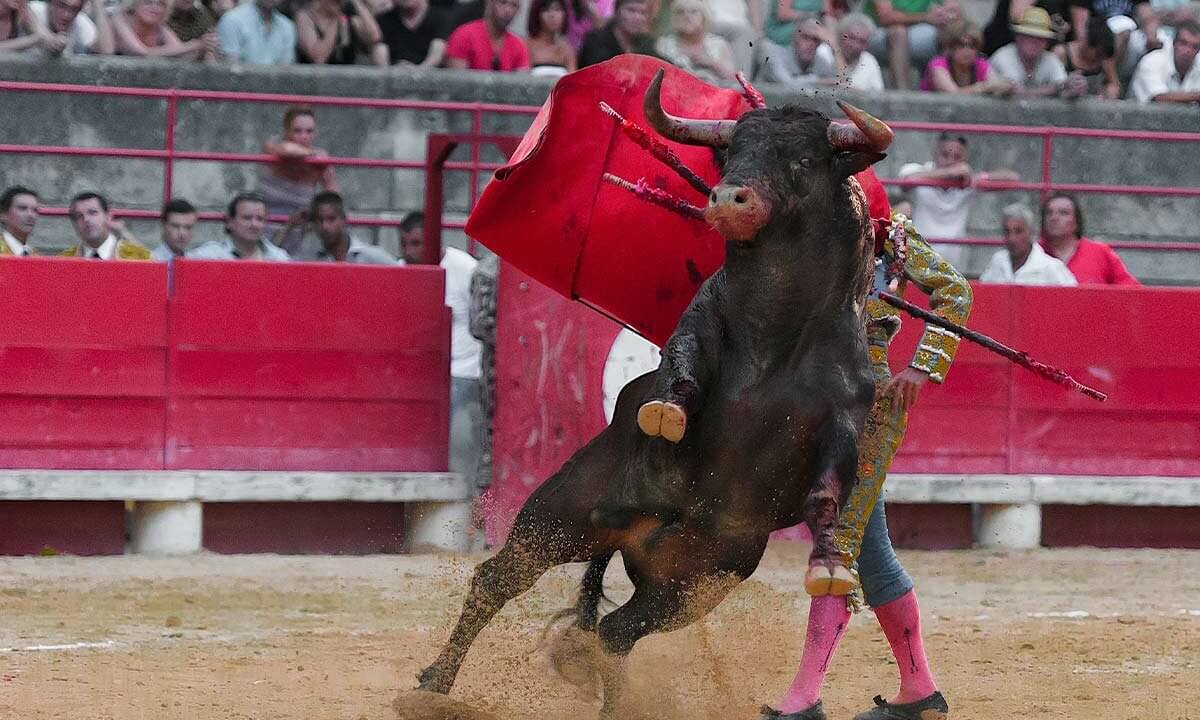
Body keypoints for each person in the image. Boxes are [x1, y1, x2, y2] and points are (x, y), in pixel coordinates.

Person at [768, 212, 971, 720]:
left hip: (867, 405)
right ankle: (919, 690)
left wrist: (924, 365)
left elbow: (956, 290)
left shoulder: (886, 231)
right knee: (872, 552)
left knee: (838, 546)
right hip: (812, 395)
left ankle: (804, 699)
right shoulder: (801, 223)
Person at [399, 212, 483, 483]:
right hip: (422, 371)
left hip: (463, 370)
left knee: (457, 448)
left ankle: (460, 491)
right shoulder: (401, 271)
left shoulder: (465, 269)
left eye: (416, 244)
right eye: (405, 245)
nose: (410, 253)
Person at [897, 132, 1019, 269]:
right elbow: (906, 181)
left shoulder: (967, 181)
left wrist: (976, 177)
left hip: (952, 270)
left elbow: (1012, 179)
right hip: (917, 266)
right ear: (935, 154)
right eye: (945, 155)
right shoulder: (918, 171)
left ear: (964, 160)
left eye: (957, 157)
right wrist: (951, 173)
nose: (950, 161)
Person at [258, 106, 339, 256]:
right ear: (286, 131)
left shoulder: (320, 162)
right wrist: (312, 154)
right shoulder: (273, 146)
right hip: (266, 224)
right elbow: (287, 150)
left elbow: (334, 196)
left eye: (309, 131)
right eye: (297, 131)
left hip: (302, 227)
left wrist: (314, 211)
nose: (303, 136)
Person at [1038, 193, 1138, 285]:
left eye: (1064, 213)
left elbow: (1133, 291)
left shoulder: (1100, 252)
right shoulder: (1033, 253)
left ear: (1077, 221)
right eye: (1049, 213)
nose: (1054, 217)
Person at [863, 0, 959, 89]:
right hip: (876, 32)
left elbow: (953, 5)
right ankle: (902, 94)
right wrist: (926, 17)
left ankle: (951, 88)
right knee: (898, 32)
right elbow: (886, 17)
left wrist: (948, 13)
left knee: (951, 29)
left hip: (916, 30)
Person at [980, 202, 1077, 285]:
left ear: (1031, 232)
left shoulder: (1051, 267)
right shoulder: (998, 261)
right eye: (1007, 231)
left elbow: (1072, 299)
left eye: (1018, 231)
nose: (1012, 238)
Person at [989, 6, 1075, 96]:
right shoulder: (1003, 57)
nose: (1034, 42)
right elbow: (1018, 94)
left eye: (1040, 38)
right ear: (1018, 38)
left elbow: (1064, 87)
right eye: (1029, 36)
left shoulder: (1051, 60)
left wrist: (1073, 87)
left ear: (1046, 43)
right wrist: (1055, 89)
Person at [921, 19, 1013, 94]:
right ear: (950, 47)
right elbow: (952, 94)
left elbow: (994, 83)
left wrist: (1005, 88)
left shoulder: (981, 64)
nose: (967, 51)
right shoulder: (938, 65)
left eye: (972, 46)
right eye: (961, 45)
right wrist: (982, 87)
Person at [189, 192, 290, 260]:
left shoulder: (279, 259)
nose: (254, 224)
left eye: (259, 219)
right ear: (229, 221)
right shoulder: (207, 256)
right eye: (247, 218)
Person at [300, 191, 397, 263]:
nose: (325, 226)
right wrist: (290, 226)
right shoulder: (310, 261)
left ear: (343, 219)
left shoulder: (373, 257)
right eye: (319, 220)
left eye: (331, 219)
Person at [655, 0, 736, 84]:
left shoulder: (718, 44)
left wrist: (712, 64)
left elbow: (733, 79)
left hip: (713, 93)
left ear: (704, 17)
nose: (686, 16)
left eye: (693, 12)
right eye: (680, 12)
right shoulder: (663, 44)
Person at [113, 0, 218, 60]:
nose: (154, 8)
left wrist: (204, 47)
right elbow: (142, 52)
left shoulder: (160, 27)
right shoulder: (120, 20)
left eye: (161, 4)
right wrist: (196, 44)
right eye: (148, 2)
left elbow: (180, 52)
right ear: (135, 4)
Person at [62, 192, 152, 260]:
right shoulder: (63, 260)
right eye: (79, 216)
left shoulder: (138, 257)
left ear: (108, 216)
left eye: (93, 212)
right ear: (74, 224)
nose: (86, 219)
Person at [444, 0, 529, 70]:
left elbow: (522, 85)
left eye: (514, 6)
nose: (508, 10)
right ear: (489, 2)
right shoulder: (463, 36)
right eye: (503, 2)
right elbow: (458, 83)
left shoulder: (518, 45)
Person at [1130, 18, 1200, 102]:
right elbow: (1159, 99)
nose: (1188, 50)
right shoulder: (1152, 60)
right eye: (1183, 43)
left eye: (1194, 47)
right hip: (1138, 114)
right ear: (1174, 43)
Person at [756, 16, 837, 84]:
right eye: (805, 37)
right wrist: (818, 81)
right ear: (794, 37)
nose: (810, 44)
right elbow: (786, 83)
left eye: (815, 39)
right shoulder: (774, 55)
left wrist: (835, 48)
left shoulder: (820, 61)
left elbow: (842, 83)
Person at [296, 0, 382, 64]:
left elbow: (375, 37)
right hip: (316, 82)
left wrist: (357, 3)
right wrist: (335, 20)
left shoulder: (347, 18)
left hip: (347, 80)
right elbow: (318, 58)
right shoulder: (305, 17)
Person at [1056, 15, 1121, 98]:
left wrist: (1109, 93)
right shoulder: (1061, 53)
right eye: (1097, 54)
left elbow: (1114, 83)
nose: (1098, 59)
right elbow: (1054, 86)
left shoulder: (1105, 59)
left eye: (1101, 56)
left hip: (1095, 105)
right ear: (1086, 42)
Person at [576, 0, 654, 68]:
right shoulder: (596, 40)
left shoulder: (645, 44)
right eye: (631, 10)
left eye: (643, 13)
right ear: (617, 11)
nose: (637, 17)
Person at [216, 0, 296, 63]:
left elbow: (285, 71)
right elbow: (230, 71)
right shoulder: (232, 20)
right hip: (239, 82)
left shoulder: (287, 26)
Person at [376, 0, 452, 66]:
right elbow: (379, 49)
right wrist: (391, 74)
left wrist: (418, 72)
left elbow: (438, 53)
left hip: (429, 75)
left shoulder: (440, 17)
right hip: (392, 74)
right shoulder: (384, 20)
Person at [27, 0, 115, 55]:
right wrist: (49, 39)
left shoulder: (80, 22)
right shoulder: (34, 11)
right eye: (61, 6)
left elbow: (106, 51)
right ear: (50, 2)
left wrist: (98, 6)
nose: (66, 15)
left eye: (74, 9)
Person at [832, 13, 885, 91]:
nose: (855, 46)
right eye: (852, 38)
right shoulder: (824, 53)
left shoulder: (869, 61)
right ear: (841, 35)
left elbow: (878, 94)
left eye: (862, 42)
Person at [525, 0, 576, 75]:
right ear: (536, 14)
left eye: (557, 9)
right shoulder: (526, 45)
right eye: (546, 10)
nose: (552, 15)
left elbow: (573, 82)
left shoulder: (567, 50)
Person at [152, 197, 199, 262]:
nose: (182, 233)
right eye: (175, 226)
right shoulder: (151, 261)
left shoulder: (195, 261)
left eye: (188, 227)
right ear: (163, 226)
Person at [0, 185, 39, 256]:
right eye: (22, 208)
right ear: (3, 215)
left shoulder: (35, 256)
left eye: (35, 210)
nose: (30, 215)